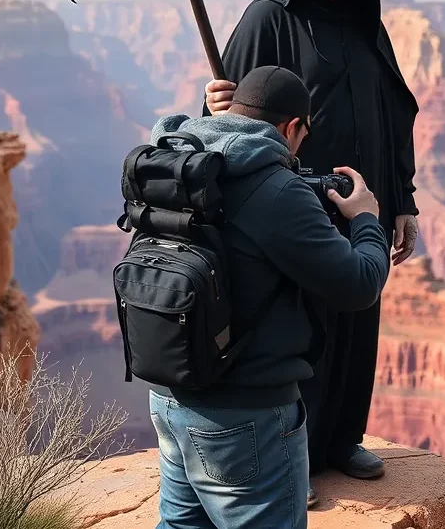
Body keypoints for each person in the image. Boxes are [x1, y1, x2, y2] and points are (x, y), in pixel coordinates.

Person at [202, 0, 420, 505]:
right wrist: (213, 107)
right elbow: (229, 120)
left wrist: (402, 201)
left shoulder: (365, 25)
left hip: (362, 204)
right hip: (291, 206)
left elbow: (394, 115)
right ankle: (292, 463)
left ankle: (340, 441)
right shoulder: (270, 18)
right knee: (302, 334)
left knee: (357, 321)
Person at [149, 65, 391, 529]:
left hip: (169, 395)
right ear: (291, 127)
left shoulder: (177, 165)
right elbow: (359, 284)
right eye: (303, 134)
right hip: (246, 413)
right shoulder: (275, 190)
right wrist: (364, 219)